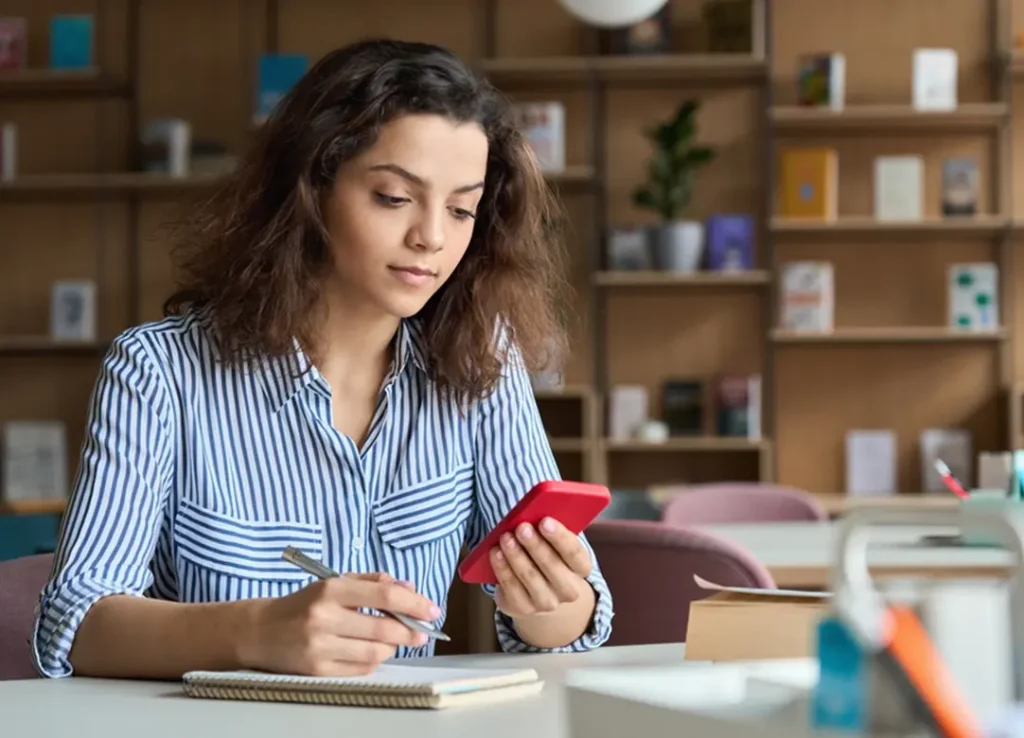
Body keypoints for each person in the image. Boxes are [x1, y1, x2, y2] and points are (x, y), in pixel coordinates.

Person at [30, 38, 614, 680]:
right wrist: (257, 632)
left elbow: (570, 631)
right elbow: (76, 624)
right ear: (310, 189)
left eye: (461, 209)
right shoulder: (158, 373)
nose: (433, 237)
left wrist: (551, 608)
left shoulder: (482, 365)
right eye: (394, 197)